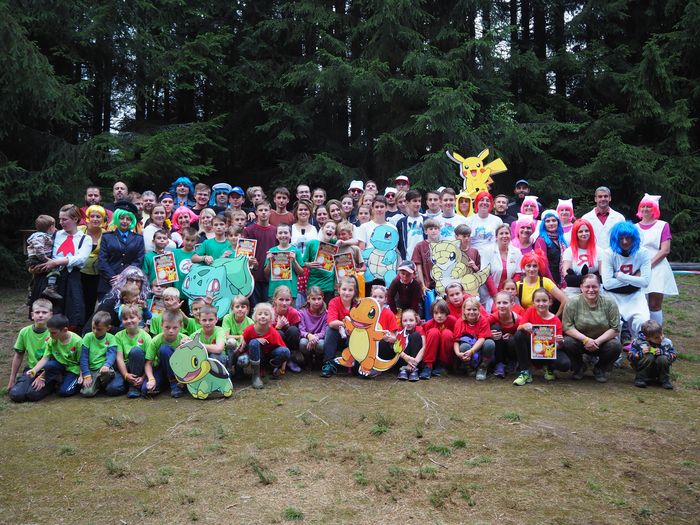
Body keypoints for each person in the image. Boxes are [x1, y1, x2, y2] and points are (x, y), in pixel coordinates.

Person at [29, 204, 92, 332]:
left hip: (71, 279)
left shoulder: (85, 239)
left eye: (65, 219)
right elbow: (38, 248)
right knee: (46, 313)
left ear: (75, 219)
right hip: (49, 279)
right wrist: (33, 267)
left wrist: (57, 262)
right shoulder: (55, 235)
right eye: (60, 219)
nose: (61, 222)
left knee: (71, 314)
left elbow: (81, 258)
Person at [562, 273, 622, 382]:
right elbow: (567, 327)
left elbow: (615, 328)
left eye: (594, 286)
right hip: (580, 341)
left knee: (616, 345)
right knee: (567, 342)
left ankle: (600, 368)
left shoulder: (610, 303)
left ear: (599, 287)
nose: (591, 290)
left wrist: (597, 341)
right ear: (581, 287)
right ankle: (579, 367)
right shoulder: (572, 303)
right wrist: (586, 340)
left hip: (602, 342)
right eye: (587, 287)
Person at [601, 221, 651, 341]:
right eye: (621, 238)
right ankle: (615, 351)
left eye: (628, 238)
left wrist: (620, 276)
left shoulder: (643, 253)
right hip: (612, 296)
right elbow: (607, 284)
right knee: (613, 325)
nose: (624, 242)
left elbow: (645, 282)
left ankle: (639, 348)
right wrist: (635, 278)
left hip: (635, 295)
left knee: (643, 321)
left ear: (634, 238)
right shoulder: (608, 253)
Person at [635, 194, 678, 327]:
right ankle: (641, 332)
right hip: (638, 267)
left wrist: (647, 266)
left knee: (654, 304)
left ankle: (656, 333)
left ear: (655, 209)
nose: (645, 209)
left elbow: (665, 250)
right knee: (639, 303)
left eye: (649, 206)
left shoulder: (662, 225)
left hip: (657, 267)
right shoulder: (634, 227)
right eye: (643, 206)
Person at [512, 288, 570, 386]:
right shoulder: (530, 311)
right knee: (519, 335)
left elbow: (558, 346)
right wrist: (524, 326)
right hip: (532, 349)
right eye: (538, 301)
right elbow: (518, 328)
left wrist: (559, 342)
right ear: (533, 303)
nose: (541, 304)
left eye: (544, 300)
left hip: (548, 351)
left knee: (564, 364)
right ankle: (525, 371)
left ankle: (548, 367)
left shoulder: (556, 321)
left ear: (550, 302)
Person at [27, 314, 83, 398]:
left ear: (65, 330)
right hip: (60, 366)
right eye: (49, 332)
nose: (50, 335)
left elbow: (82, 361)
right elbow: (45, 358)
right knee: (49, 365)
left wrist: (82, 375)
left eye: (53, 333)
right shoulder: (52, 340)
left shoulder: (77, 342)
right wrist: (34, 370)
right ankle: (58, 379)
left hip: (73, 369)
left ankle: (73, 383)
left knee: (64, 392)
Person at [97, 203, 145, 301]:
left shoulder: (139, 239)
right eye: (122, 218)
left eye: (128, 219)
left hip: (130, 283)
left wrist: (123, 276)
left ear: (132, 221)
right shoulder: (107, 237)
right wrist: (113, 278)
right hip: (108, 282)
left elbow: (138, 261)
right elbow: (102, 260)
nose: (125, 221)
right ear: (116, 218)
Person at [8, 299, 53, 402]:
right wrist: (12, 379)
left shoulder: (54, 332)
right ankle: (23, 382)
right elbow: (18, 356)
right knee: (16, 395)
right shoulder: (24, 332)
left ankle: (52, 384)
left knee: (32, 395)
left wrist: (43, 376)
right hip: (31, 370)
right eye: (37, 312)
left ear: (51, 315)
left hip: (48, 371)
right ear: (32, 315)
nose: (40, 315)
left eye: (44, 312)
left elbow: (57, 358)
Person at [242, 302, 291, 387]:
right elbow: (244, 345)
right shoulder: (249, 330)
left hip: (269, 356)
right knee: (253, 343)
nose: (263, 316)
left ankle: (270, 368)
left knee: (285, 351)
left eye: (266, 314)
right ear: (255, 317)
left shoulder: (273, 332)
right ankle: (256, 376)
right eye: (260, 314)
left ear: (271, 318)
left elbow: (285, 350)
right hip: (256, 356)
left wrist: (282, 369)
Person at [109, 304, 151, 398]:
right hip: (125, 367)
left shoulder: (146, 336)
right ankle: (129, 383)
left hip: (140, 368)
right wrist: (125, 375)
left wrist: (143, 377)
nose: (128, 321)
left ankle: (134, 387)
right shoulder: (118, 336)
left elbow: (150, 360)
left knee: (136, 351)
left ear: (139, 318)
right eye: (125, 319)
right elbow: (119, 358)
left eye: (132, 317)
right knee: (112, 389)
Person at [321, 277, 359, 378]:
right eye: (344, 289)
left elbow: (361, 324)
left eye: (350, 290)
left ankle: (353, 363)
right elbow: (331, 322)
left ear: (354, 292)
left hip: (352, 336)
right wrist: (347, 325)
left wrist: (351, 328)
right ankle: (329, 363)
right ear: (339, 290)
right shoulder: (334, 302)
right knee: (330, 330)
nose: (347, 293)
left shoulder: (358, 305)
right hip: (337, 336)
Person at [145, 309, 187, 397]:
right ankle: (165, 383)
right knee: (145, 390)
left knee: (164, 349)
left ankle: (175, 384)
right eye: (167, 327)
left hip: (179, 371)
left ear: (180, 326)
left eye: (175, 328)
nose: (171, 331)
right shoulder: (156, 341)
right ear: (161, 325)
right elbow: (148, 363)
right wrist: (151, 379)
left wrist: (186, 346)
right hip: (161, 368)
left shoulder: (185, 339)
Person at [452, 297, 495, 381]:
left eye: (474, 309)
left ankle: (483, 367)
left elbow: (482, 339)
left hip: (480, 348)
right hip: (467, 350)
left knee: (490, 343)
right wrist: (458, 353)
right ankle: (469, 367)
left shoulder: (483, 321)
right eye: (468, 309)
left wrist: (472, 351)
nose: (471, 312)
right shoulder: (459, 322)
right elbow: (456, 341)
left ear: (479, 310)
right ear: (464, 311)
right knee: (463, 346)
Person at [515, 251, 567, 316]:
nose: (531, 269)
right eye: (528, 266)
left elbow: (565, 300)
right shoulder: (518, 285)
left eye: (535, 266)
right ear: (523, 267)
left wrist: (555, 318)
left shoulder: (546, 282)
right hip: (526, 320)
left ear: (539, 267)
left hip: (543, 320)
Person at [79, 311, 117, 397]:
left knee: (108, 372)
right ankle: (96, 385)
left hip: (103, 368)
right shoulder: (88, 337)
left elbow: (112, 354)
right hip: (91, 370)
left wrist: (107, 365)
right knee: (87, 393)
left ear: (108, 328)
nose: (95, 331)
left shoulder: (111, 338)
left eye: (99, 329)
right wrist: (86, 375)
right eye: (93, 328)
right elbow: (83, 357)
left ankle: (101, 383)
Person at [628, 319, 675, 389]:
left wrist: (663, 353)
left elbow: (673, 355)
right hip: (643, 367)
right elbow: (630, 356)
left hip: (659, 369)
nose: (660, 338)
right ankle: (640, 379)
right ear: (647, 338)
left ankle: (664, 380)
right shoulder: (639, 342)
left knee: (663, 358)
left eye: (661, 334)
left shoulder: (666, 342)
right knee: (648, 356)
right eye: (656, 337)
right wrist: (640, 353)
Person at [79, 205, 107, 315]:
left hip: (96, 273)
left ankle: (87, 323)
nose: (95, 219)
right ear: (88, 217)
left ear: (103, 219)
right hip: (78, 271)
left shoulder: (106, 234)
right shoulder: (80, 230)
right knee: (77, 299)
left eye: (98, 217)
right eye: (92, 216)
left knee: (90, 301)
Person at [265, 223, 304, 301]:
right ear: (276, 236)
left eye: (286, 233)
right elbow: (266, 273)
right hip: (274, 292)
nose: (283, 235)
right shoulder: (271, 251)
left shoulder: (296, 251)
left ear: (290, 235)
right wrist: (269, 262)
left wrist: (294, 261)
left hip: (291, 292)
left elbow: (301, 273)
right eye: (280, 233)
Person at [26, 214, 62, 300]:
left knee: (37, 274)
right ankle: (50, 287)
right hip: (39, 258)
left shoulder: (42, 235)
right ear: (51, 227)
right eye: (54, 226)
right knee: (54, 268)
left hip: (37, 259)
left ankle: (31, 292)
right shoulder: (40, 236)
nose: (56, 228)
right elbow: (39, 250)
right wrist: (46, 259)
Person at [562, 219, 600, 297]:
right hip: (573, 292)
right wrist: (592, 278)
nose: (584, 233)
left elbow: (603, 276)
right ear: (575, 234)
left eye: (587, 231)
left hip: (594, 291)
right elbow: (567, 277)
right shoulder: (569, 251)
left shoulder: (599, 251)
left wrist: (577, 278)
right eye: (580, 231)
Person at [419, 299, 456, 378]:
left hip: (447, 356)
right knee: (433, 332)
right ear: (432, 314)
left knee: (447, 333)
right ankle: (428, 366)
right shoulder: (429, 324)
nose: (439, 316)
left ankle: (444, 366)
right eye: (436, 313)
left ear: (446, 313)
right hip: (432, 354)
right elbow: (421, 331)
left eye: (442, 313)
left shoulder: (453, 321)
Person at [581, 186, 625, 251]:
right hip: (593, 254)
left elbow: (623, 238)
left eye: (605, 196)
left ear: (610, 198)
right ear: (595, 199)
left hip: (614, 254)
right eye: (600, 196)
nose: (603, 199)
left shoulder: (619, 218)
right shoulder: (586, 218)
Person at [304, 220, 338, 303]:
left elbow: (354, 240)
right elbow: (303, 263)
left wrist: (341, 242)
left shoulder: (335, 244)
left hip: (328, 285)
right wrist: (309, 264)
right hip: (313, 284)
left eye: (333, 228)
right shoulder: (312, 243)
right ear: (322, 229)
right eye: (328, 227)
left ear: (334, 233)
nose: (330, 229)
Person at [489, 291, 520, 378]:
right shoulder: (493, 317)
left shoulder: (518, 320)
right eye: (499, 303)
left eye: (505, 303)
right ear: (495, 304)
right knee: (495, 327)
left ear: (512, 304)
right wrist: (489, 334)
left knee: (516, 337)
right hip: (499, 348)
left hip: (512, 348)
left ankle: (513, 362)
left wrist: (512, 335)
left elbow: (525, 337)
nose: (501, 306)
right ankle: (500, 364)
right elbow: (480, 329)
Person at [533, 209, 568, 287]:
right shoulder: (541, 240)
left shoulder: (561, 240)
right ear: (543, 224)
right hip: (549, 281)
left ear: (558, 222)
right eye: (548, 221)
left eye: (554, 220)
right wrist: (552, 284)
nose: (551, 223)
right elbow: (543, 265)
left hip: (561, 280)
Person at [270, 286, 302, 372]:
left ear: (291, 300)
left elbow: (297, 332)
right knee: (278, 333)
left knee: (293, 330)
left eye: (287, 300)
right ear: (275, 300)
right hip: (275, 346)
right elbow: (267, 334)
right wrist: (277, 327)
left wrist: (288, 326)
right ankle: (278, 361)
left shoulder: (293, 312)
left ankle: (291, 359)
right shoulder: (270, 313)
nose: (284, 303)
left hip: (289, 342)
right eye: (281, 299)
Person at [465, 191, 503, 260]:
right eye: (481, 200)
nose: (485, 202)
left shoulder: (497, 221)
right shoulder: (468, 221)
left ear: (491, 204)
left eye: (487, 201)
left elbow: (501, 240)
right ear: (477, 202)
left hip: (492, 257)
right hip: (474, 258)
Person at [485, 224, 522, 291]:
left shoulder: (517, 252)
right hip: (490, 292)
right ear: (496, 237)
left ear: (510, 236)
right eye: (501, 233)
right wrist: (495, 294)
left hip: (510, 292)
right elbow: (486, 275)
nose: (504, 236)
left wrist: (510, 291)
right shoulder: (487, 251)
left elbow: (518, 274)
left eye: (507, 233)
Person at [298, 286, 328, 370]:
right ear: (308, 299)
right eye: (313, 299)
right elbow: (300, 330)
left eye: (319, 299)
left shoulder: (326, 314)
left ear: (322, 298)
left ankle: (319, 359)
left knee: (321, 344)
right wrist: (309, 336)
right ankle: (308, 359)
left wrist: (315, 337)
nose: (316, 302)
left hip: (319, 338)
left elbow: (324, 332)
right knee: (302, 343)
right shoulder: (302, 312)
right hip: (307, 338)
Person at [411, 218, 440, 294]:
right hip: (427, 284)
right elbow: (418, 268)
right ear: (425, 231)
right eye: (431, 229)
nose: (433, 231)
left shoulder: (443, 245)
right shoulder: (420, 246)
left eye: (436, 228)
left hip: (441, 283)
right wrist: (422, 285)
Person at [396, 309, 425, 381]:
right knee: (404, 336)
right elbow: (397, 348)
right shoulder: (399, 330)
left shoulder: (420, 329)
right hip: (403, 359)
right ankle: (403, 368)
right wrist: (407, 358)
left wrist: (414, 363)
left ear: (416, 321)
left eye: (411, 320)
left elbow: (424, 347)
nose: (408, 323)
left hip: (416, 360)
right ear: (401, 322)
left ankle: (414, 369)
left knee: (415, 335)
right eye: (405, 321)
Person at [396, 189, 425, 260]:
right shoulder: (401, 223)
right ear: (407, 203)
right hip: (408, 260)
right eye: (415, 201)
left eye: (419, 201)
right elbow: (398, 245)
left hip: (424, 260)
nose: (418, 204)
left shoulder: (427, 220)